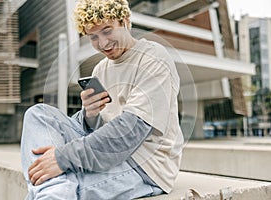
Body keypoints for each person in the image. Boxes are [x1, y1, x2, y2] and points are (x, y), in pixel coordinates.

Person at [20, 0, 184, 199]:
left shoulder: (153, 58)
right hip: (109, 156)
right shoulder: (101, 69)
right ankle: (53, 191)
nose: (103, 44)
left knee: (60, 185)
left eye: (107, 31)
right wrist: (90, 115)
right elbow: (98, 132)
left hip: (144, 165)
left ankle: (51, 192)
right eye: (93, 37)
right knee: (39, 114)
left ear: (124, 21)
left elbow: (130, 132)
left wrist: (62, 158)